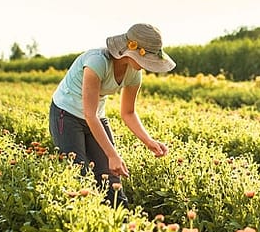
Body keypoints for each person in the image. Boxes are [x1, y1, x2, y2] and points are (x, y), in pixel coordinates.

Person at [49, 23, 175, 206]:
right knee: (80, 172)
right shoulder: (96, 62)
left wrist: (149, 141)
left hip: (95, 116)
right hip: (66, 114)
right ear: (130, 51)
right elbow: (89, 114)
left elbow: (128, 112)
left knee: (112, 178)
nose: (146, 66)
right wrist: (112, 154)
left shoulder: (134, 74)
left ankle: (122, 223)